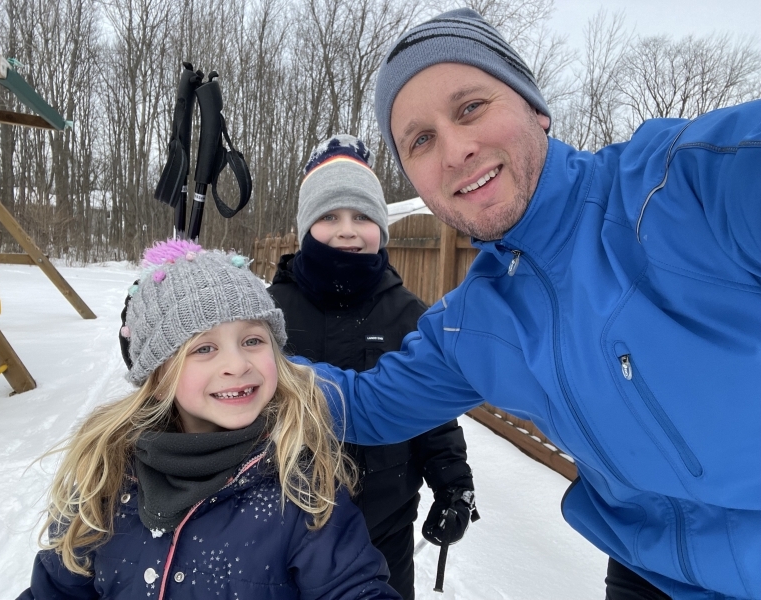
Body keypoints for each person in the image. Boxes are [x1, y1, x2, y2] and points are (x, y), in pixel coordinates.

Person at [299, 8, 761, 600]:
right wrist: (217, 352)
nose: (456, 149)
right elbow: (362, 405)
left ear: (535, 107)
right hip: (651, 579)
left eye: (470, 107)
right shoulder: (472, 324)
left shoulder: (682, 188)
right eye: (420, 140)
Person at [18, 239, 399, 600]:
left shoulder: (302, 489)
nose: (236, 365)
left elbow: (352, 585)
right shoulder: (105, 475)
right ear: (157, 375)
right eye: (204, 347)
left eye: (252, 340)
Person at [266, 134, 478, 600]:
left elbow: (433, 409)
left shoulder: (409, 314)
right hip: (277, 526)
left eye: (362, 216)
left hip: (383, 530)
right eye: (329, 217)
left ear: (381, 227)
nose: (347, 230)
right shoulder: (268, 311)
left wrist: (453, 484)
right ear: (305, 228)